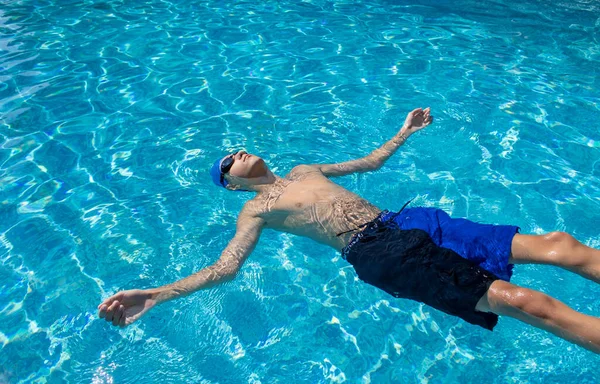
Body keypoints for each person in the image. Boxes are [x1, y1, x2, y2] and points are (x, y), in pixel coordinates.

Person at [98, 108, 600, 354]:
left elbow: (371, 162)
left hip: (410, 221)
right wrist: (156, 294)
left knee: (560, 244)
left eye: (238, 149)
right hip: (378, 252)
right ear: (230, 185)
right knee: (519, 300)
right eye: (229, 162)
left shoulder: (304, 169)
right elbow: (225, 268)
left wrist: (404, 131)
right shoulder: (253, 212)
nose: (238, 154)